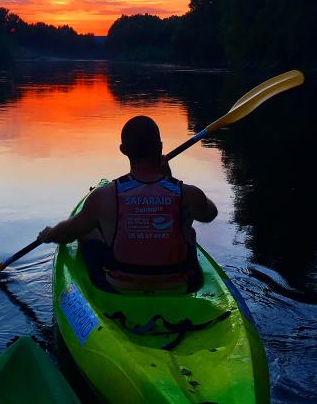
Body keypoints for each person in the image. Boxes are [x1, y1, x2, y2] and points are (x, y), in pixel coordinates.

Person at [37, 115, 218, 291]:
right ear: (160, 147)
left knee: (87, 230)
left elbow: (68, 233)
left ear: (123, 150)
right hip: (180, 286)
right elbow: (210, 214)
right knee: (186, 226)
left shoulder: (103, 196)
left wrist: (50, 233)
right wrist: (170, 180)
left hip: (119, 287)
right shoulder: (189, 194)